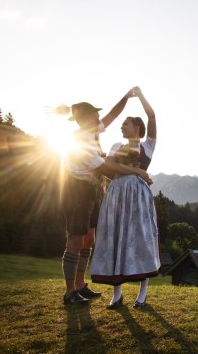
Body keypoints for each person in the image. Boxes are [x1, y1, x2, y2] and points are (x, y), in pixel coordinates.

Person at [62, 87, 152, 305]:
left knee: (89, 238)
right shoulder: (81, 142)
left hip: (91, 190)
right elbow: (108, 170)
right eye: (95, 114)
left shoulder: (93, 131)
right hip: (77, 190)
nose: (99, 117)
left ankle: (81, 284)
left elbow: (112, 114)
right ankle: (70, 292)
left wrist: (127, 97)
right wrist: (138, 172)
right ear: (86, 119)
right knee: (75, 239)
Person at [90, 87, 161, 309]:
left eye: (126, 123)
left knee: (141, 238)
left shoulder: (147, 145)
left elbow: (152, 115)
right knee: (116, 237)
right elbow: (109, 166)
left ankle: (143, 292)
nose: (121, 126)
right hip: (117, 193)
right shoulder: (115, 146)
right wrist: (139, 172)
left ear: (136, 127)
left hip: (138, 196)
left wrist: (139, 96)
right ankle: (117, 293)